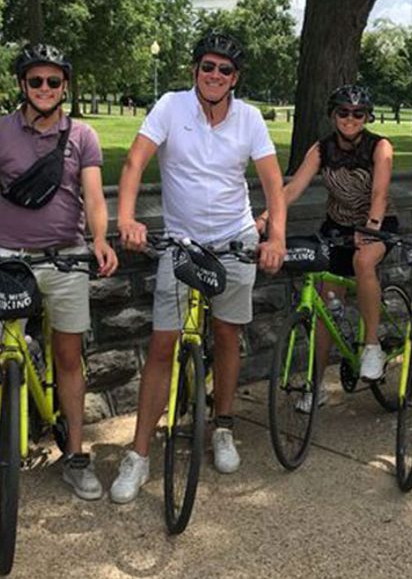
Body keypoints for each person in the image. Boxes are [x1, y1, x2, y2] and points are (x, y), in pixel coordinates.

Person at [0, 43, 117, 508]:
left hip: (67, 257)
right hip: (11, 260)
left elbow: (94, 197)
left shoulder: (83, 136)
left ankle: (75, 456)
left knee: (69, 359)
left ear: (64, 86)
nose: (45, 89)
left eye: (53, 81)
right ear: (22, 85)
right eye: (36, 81)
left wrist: (101, 239)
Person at [110, 31, 286, 504]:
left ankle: (223, 426)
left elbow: (272, 183)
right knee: (163, 344)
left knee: (228, 335)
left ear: (236, 78)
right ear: (195, 70)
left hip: (235, 238)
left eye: (225, 70)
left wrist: (276, 238)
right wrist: (125, 218)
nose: (215, 75)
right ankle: (139, 453)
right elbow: (133, 163)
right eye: (207, 66)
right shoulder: (170, 106)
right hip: (182, 244)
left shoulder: (249, 118)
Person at [258, 85, 397, 411]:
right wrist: (265, 218)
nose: (350, 119)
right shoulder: (322, 149)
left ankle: (372, 346)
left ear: (367, 117)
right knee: (324, 310)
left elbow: (379, 193)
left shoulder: (380, 147)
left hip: (376, 225)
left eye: (358, 113)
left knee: (364, 262)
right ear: (334, 115)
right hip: (336, 229)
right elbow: (291, 189)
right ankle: (316, 385)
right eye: (343, 112)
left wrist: (371, 228)